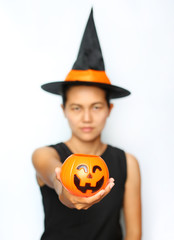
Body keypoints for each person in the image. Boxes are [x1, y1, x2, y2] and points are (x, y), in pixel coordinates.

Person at [32, 9, 141, 240]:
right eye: (76, 108)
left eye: (96, 107)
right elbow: (53, 172)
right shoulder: (44, 154)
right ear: (64, 110)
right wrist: (63, 189)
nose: (87, 118)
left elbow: (134, 234)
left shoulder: (127, 163)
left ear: (109, 109)